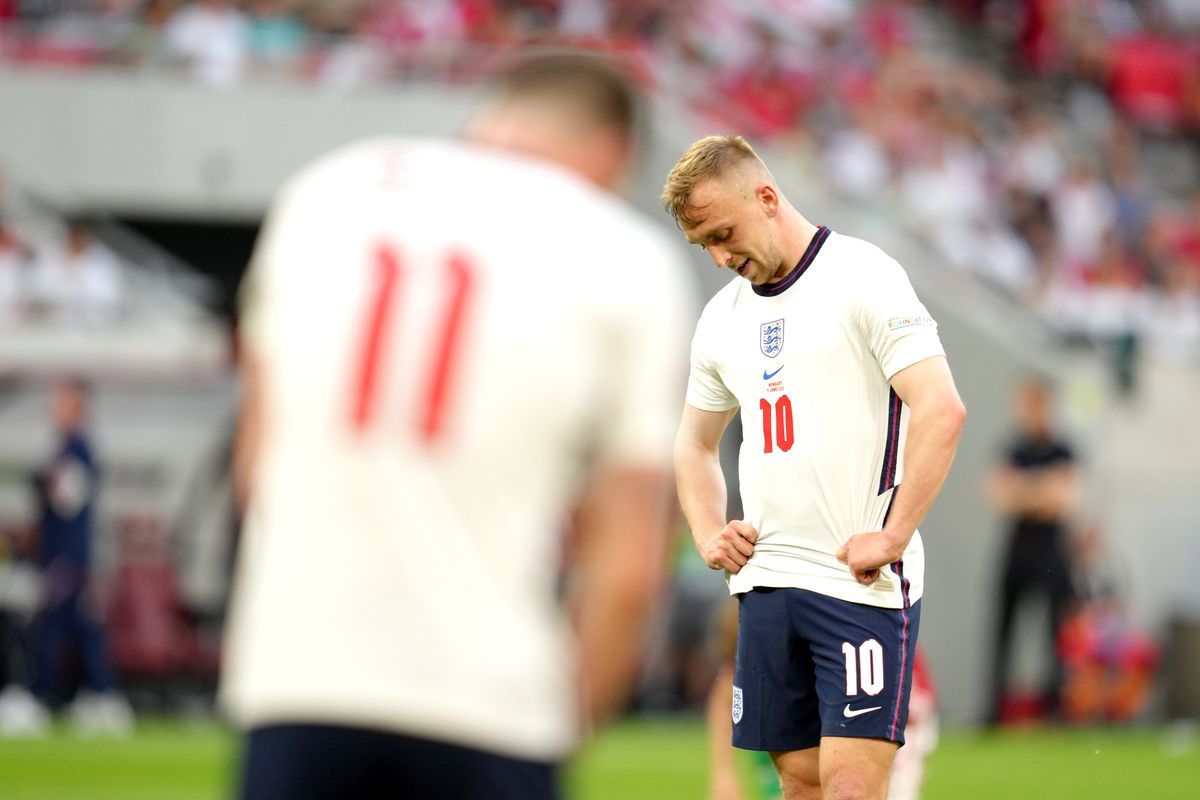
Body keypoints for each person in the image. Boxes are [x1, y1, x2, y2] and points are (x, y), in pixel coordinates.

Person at [220, 53, 695, 800]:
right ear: (613, 151)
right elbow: (630, 557)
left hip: (297, 681)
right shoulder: (624, 255)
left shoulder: (327, 192)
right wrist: (569, 721)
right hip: (490, 702)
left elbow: (256, 464)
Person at [664, 135, 965, 800]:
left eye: (723, 233)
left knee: (853, 785)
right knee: (797, 783)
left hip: (860, 582)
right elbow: (692, 445)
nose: (719, 257)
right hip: (766, 583)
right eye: (703, 246)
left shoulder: (864, 276)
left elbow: (941, 409)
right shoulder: (722, 319)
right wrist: (711, 528)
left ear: (767, 198)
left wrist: (892, 534)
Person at [705, 599, 939, 800]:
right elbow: (725, 691)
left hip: (888, 713)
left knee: (865, 787)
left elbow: (915, 697)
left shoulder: (871, 623)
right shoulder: (759, 616)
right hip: (795, 706)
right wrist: (724, 774)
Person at [29, 378, 132, 735]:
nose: (54, 407)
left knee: (58, 629)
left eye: (61, 401)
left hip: (68, 556)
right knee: (79, 628)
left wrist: (61, 558)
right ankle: (102, 695)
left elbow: (67, 507)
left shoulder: (75, 450)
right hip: (69, 555)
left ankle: (43, 697)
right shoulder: (68, 447)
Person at [984, 377, 1079, 724]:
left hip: (1051, 550)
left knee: (1055, 633)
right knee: (1003, 630)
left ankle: (1057, 711)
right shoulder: (1012, 448)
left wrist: (1024, 490)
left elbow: (1061, 500)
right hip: (1018, 548)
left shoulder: (1063, 449)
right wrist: (1040, 489)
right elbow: (998, 497)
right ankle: (994, 711)